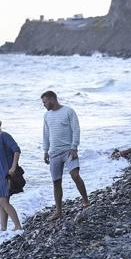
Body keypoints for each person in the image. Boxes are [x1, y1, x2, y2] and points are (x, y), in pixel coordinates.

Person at [41, 90, 89, 219]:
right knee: (56, 182)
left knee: (75, 175)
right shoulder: (47, 116)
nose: (44, 105)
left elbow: (76, 129)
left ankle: (86, 201)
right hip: (54, 153)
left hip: (68, 150)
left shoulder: (68, 111)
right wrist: (45, 151)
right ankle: (59, 211)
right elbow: (46, 134)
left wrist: (74, 147)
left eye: (45, 102)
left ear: (52, 100)